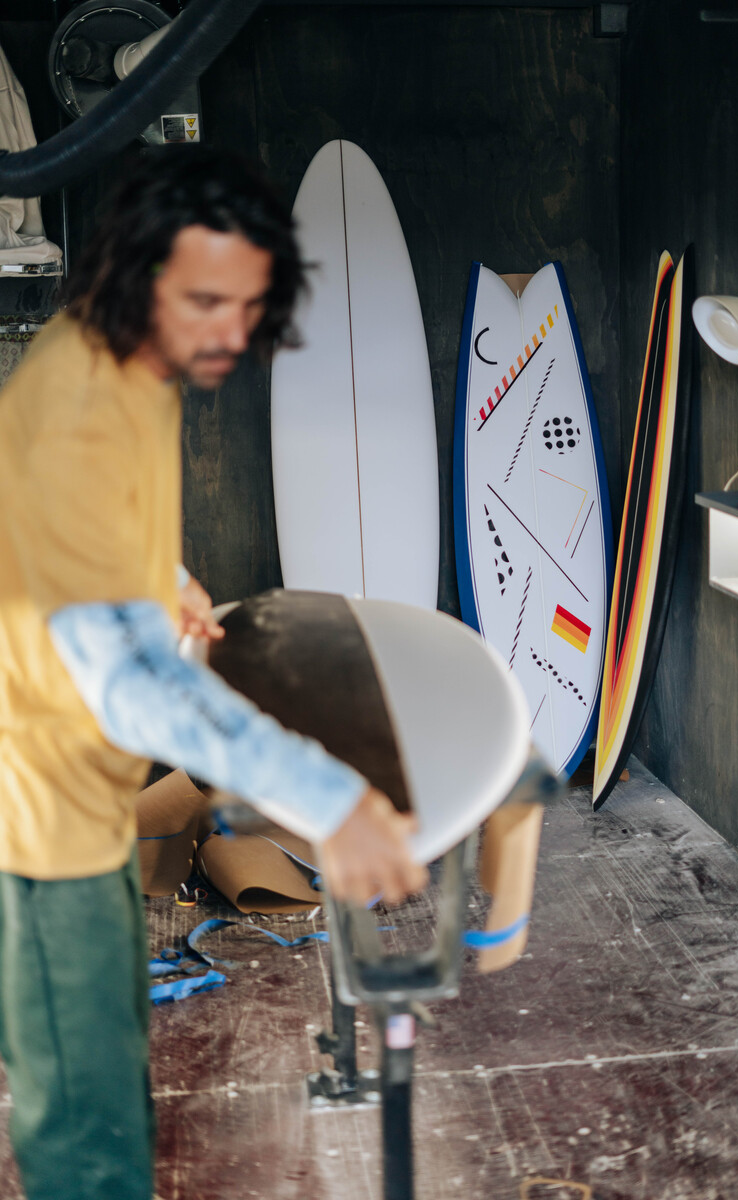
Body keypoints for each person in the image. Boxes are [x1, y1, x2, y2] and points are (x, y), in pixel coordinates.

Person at [0, 143, 427, 1200]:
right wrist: (329, 801)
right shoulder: (80, 413)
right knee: (87, 1119)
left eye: (247, 304)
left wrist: (163, 579)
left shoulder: (127, 359)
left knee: (107, 1074)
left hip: (80, 798)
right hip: (36, 821)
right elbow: (137, 687)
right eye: (206, 302)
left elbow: (98, 535)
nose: (232, 333)